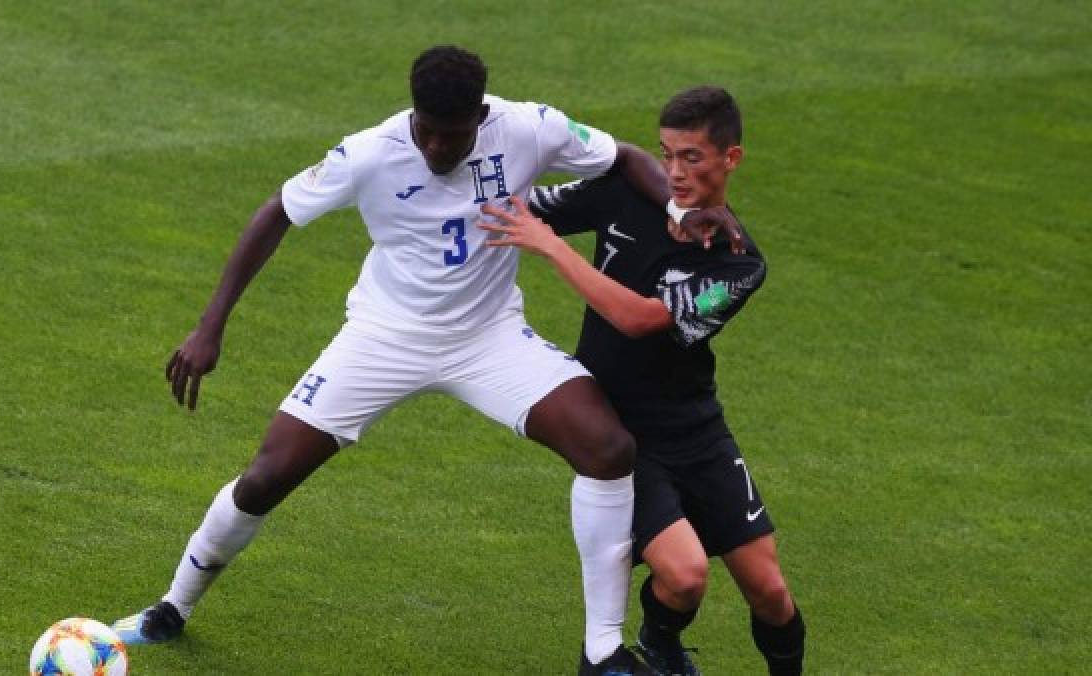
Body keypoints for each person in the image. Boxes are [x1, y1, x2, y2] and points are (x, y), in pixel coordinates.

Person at [110, 45, 700, 674]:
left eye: (453, 136)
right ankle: (171, 607)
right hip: (384, 336)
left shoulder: (526, 127)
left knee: (609, 449)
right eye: (427, 131)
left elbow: (624, 158)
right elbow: (277, 212)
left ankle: (603, 650)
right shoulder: (370, 151)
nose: (437, 149)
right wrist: (210, 326)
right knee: (267, 476)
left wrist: (686, 211)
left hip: (488, 337)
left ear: (480, 114)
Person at [479, 86, 806, 675]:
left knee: (772, 593)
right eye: (666, 154)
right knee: (685, 575)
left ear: (730, 159)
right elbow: (524, 209)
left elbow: (638, 320)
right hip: (619, 432)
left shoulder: (737, 264)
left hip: (697, 431)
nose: (675, 172)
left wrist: (552, 250)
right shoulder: (625, 192)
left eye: (692, 158)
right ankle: (658, 644)